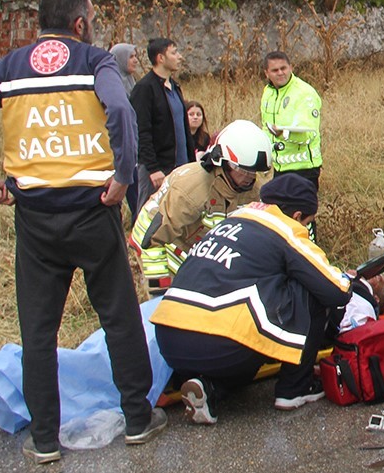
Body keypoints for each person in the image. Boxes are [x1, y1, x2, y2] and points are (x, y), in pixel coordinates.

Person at [0, 0, 166, 463]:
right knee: (119, 319)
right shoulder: (94, 61)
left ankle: (44, 439)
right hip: (93, 210)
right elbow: (121, 111)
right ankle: (136, 419)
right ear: (81, 23)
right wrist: (124, 178)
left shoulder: (9, 67)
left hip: (36, 220)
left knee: (38, 332)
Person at [151, 174, 352, 425]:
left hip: (169, 341)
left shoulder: (234, 218)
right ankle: (295, 388)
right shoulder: (285, 228)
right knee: (308, 288)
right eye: (308, 223)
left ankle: (209, 388)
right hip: (219, 343)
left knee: (244, 342)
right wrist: (350, 279)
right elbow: (336, 290)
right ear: (298, 216)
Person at [131, 119, 270, 292]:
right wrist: (160, 290)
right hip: (156, 244)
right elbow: (153, 241)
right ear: (223, 162)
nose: (250, 177)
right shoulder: (192, 191)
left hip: (191, 244)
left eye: (254, 172)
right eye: (243, 171)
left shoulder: (248, 187)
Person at [130, 37, 189, 208]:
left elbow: (183, 129)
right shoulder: (144, 89)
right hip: (158, 169)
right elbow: (141, 131)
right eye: (174, 52)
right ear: (160, 58)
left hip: (180, 167)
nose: (180, 57)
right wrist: (153, 168)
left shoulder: (175, 87)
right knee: (149, 213)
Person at [260, 52, 322, 185]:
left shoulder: (305, 93)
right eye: (275, 70)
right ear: (266, 73)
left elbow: (308, 134)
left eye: (283, 68)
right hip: (280, 168)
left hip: (304, 169)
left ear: (291, 68)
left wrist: (283, 134)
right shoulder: (268, 92)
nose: (280, 73)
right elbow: (266, 126)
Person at [111, 42, 142, 216]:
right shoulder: (113, 86)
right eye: (131, 56)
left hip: (135, 141)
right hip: (122, 143)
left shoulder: (131, 81)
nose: (136, 60)